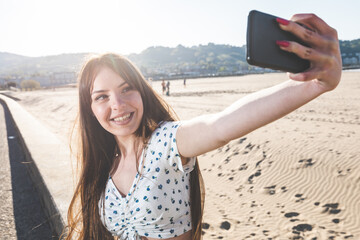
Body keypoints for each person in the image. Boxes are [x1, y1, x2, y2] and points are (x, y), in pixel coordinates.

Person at [65, 13, 341, 240]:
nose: (117, 104)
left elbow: (220, 126)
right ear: (89, 108)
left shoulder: (166, 142)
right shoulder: (103, 163)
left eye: (127, 89)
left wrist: (314, 85)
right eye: (101, 97)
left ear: (142, 93)